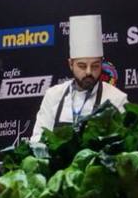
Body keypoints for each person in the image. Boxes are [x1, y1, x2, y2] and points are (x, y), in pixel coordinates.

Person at [31, 15, 128, 143]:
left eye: (95, 66)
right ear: (70, 64)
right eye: (82, 66)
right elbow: (37, 139)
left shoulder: (117, 99)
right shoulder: (53, 95)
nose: (89, 72)